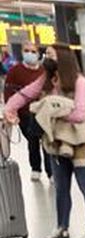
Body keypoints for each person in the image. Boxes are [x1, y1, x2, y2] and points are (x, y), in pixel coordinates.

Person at [5, 44, 85, 238]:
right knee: (61, 187)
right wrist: (9, 109)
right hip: (56, 143)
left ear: (63, 59)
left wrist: (49, 110)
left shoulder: (80, 83)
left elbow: (80, 114)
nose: (44, 57)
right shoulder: (46, 80)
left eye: (50, 54)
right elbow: (25, 95)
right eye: (45, 54)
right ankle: (62, 229)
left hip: (82, 144)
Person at [4, 42, 51, 182]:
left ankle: (51, 171)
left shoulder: (43, 71)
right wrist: (11, 110)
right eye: (26, 50)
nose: (29, 53)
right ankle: (35, 168)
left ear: (38, 54)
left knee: (46, 141)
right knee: (32, 140)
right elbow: (9, 92)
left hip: (42, 112)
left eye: (33, 51)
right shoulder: (15, 71)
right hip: (25, 113)